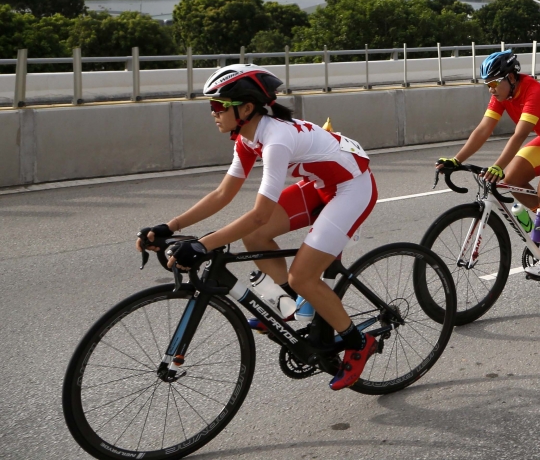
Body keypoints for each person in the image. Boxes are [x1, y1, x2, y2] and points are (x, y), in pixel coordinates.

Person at [135, 65, 379, 391]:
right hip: (321, 184)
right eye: (211, 106)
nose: (213, 113)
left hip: (352, 188)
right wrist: (169, 226)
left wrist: (203, 245)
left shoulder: (275, 139)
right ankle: (291, 309)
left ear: (246, 108)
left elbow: (261, 213)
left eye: (219, 106)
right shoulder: (246, 138)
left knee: (303, 275)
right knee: (254, 236)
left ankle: (358, 342)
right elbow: (223, 194)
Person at [435, 49, 540, 281]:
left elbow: (518, 136)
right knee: (510, 180)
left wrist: (497, 165)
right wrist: (457, 159)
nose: (491, 88)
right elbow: (483, 129)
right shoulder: (501, 96)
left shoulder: (533, 92)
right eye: (487, 84)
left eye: (495, 82)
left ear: (510, 77)